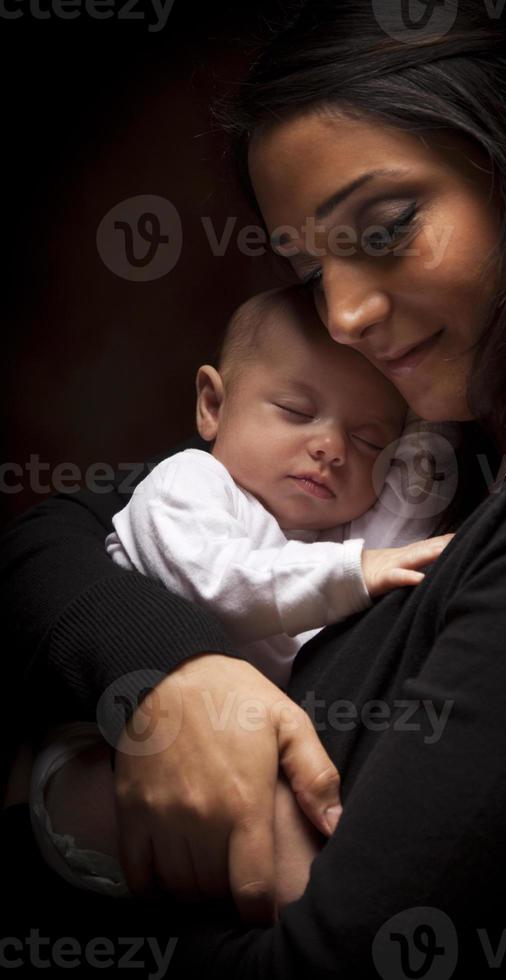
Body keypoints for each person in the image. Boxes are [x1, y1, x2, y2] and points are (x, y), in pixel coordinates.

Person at [2, 1, 506, 975]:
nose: (342, 314)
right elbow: (48, 542)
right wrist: (180, 675)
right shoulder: (426, 434)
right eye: (309, 266)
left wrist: (49, 842)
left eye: (386, 229)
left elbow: (343, 955)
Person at [26, 282, 455, 901]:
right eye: (296, 411)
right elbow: (219, 584)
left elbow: (408, 526)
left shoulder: (338, 527)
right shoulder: (187, 486)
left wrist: (428, 430)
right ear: (212, 405)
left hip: (251, 749)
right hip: (108, 753)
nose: (330, 448)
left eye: (367, 441)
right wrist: (355, 572)